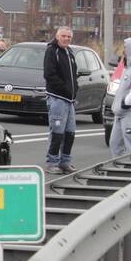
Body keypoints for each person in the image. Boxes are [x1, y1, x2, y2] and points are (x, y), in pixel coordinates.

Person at [43, 26, 79, 174]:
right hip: (57, 98)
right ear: (57, 36)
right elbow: (49, 74)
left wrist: (74, 89)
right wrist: (65, 89)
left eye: (69, 37)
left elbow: (74, 74)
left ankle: (65, 161)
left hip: (69, 100)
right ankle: (52, 162)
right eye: (63, 36)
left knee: (70, 132)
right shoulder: (52, 51)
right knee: (57, 132)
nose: (66, 39)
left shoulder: (69, 52)